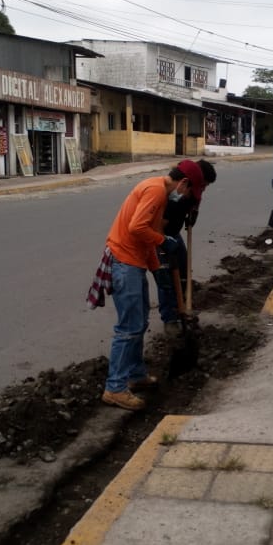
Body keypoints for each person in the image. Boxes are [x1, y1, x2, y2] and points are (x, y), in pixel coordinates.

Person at [87, 160, 206, 411]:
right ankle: (115, 388)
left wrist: (156, 267)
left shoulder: (159, 192)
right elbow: (137, 228)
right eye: (189, 191)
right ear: (183, 182)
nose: (185, 197)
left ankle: (135, 374)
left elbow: (147, 237)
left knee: (139, 322)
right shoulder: (155, 191)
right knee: (129, 327)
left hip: (134, 262)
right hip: (125, 262)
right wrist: (163, 240)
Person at [157, 159, 217, 334]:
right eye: (203, 185)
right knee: (166, 277)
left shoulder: (194, 191)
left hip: (174, 235)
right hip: (160, 236)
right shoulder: (174, 197)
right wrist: (163, 245)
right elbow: (160, 225)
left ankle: (182, 307)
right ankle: (169, 319)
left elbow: (197, 200)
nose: (203, 189)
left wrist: (194, 213)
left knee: (183, 270)